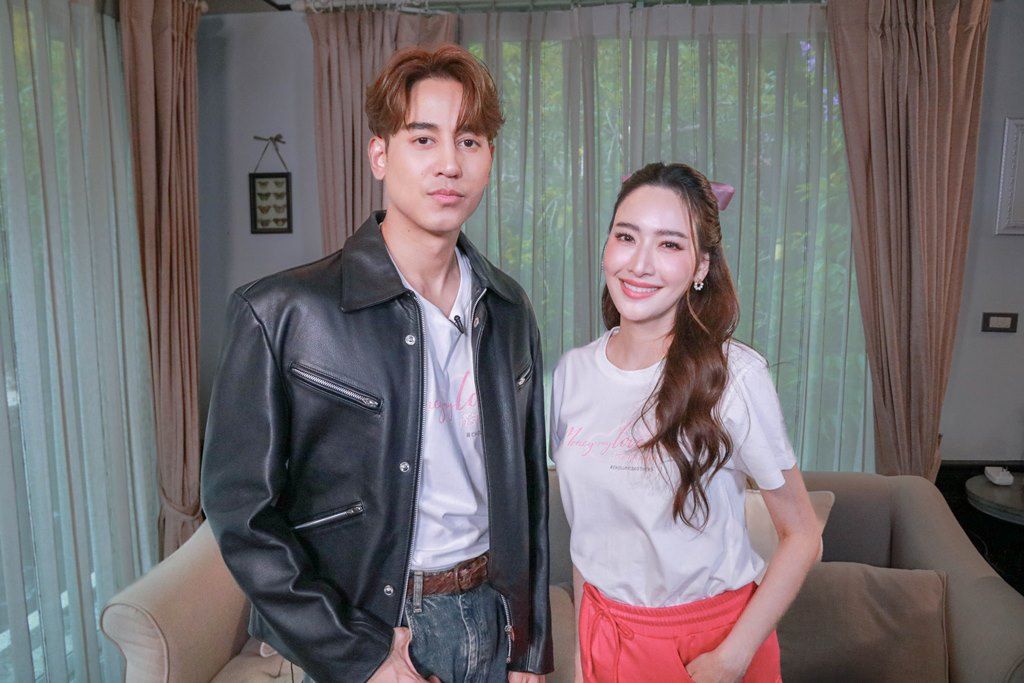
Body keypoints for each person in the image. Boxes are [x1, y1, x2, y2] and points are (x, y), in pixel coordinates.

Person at [201, 45, 552, 683]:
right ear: (379, 155)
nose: (449, 163)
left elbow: (527, 490)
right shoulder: (281, 312)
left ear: (489, 158)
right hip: (374, 629)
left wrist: (529, 649)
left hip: (491, 619)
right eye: (423, 139)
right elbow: (241, 516)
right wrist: (359, 657)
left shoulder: (507, 308)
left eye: (469, 141)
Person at [549, 162, 821, 683]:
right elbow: (588, 536)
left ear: (701, 267)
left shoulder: (735, 375)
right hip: (604, 634)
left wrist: (732, 659)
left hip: (711, 645)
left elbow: (803, 535)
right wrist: (584, 661)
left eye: (670, 244)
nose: (640, 263)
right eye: (626, 236)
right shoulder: (572, 374)